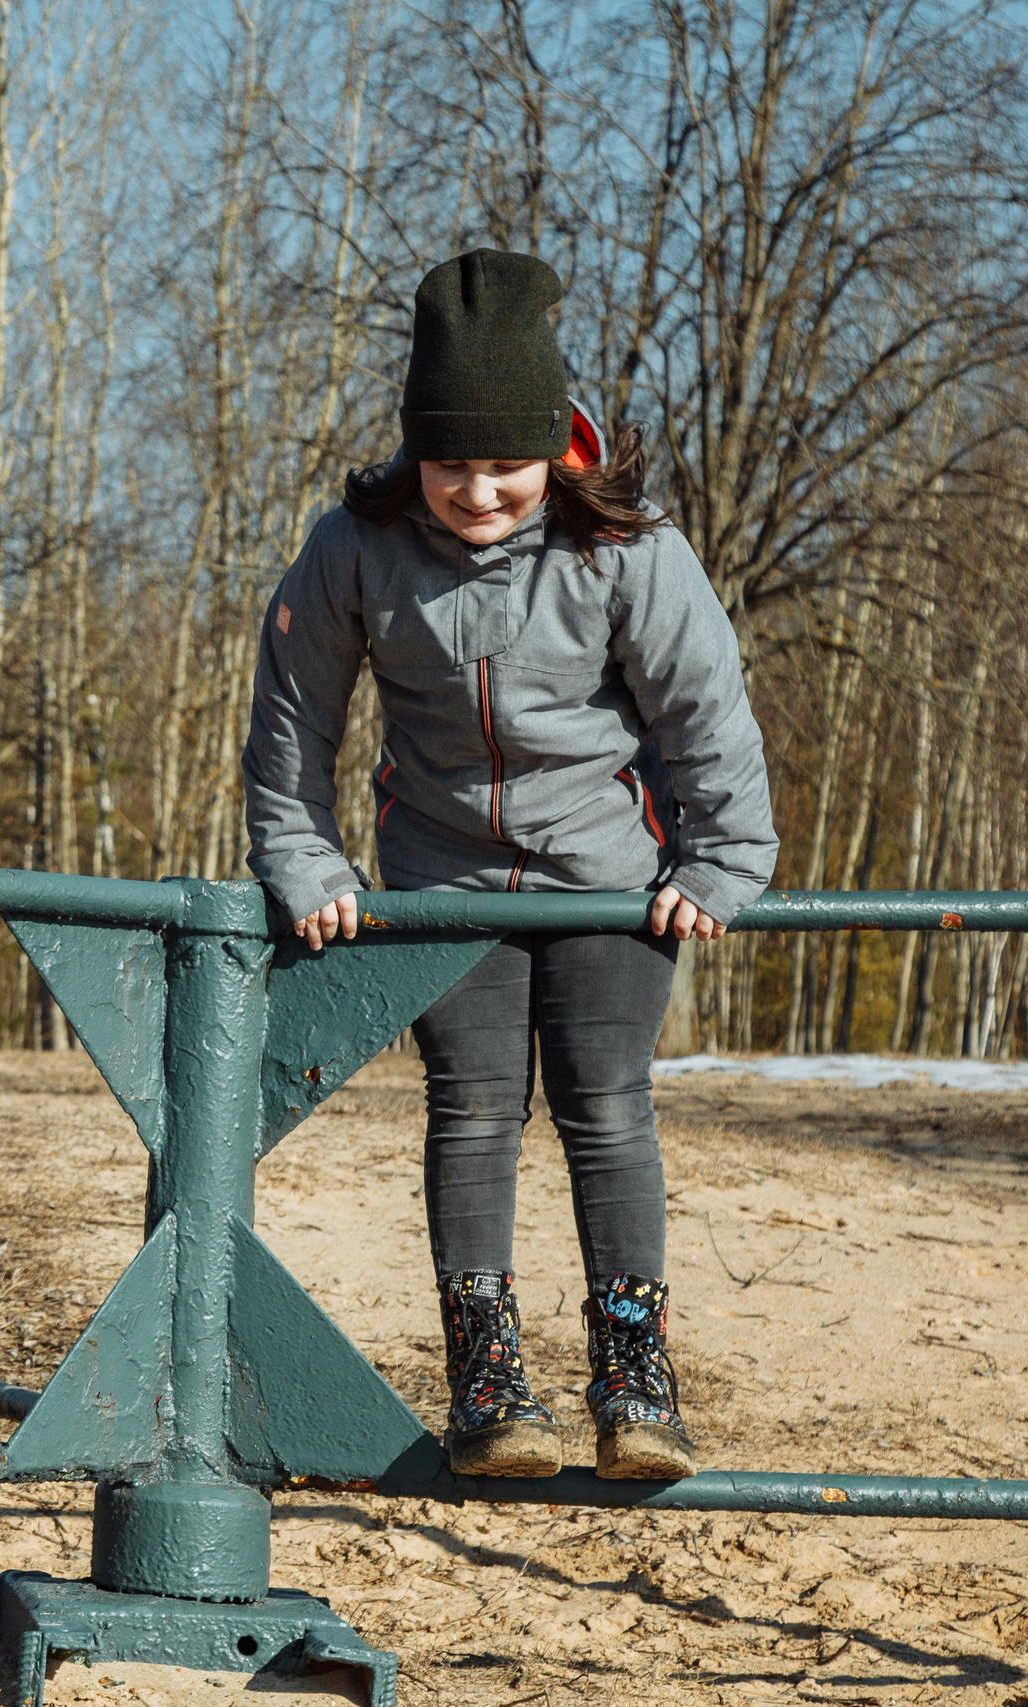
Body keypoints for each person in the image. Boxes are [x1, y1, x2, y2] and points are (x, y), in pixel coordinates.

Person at [242, 249, 777, 1483]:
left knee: (605, 1104)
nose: (476, 492)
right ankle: (488, 1383)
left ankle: (634, 1379)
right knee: (472, 1108)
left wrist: (719, 862)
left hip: (606, 873)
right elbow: (291, 725)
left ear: (554, 451)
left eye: (504, 464)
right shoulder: (353, 550)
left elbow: (708, 715)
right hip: (440, 875)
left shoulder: (628, 549)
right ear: (411, 453)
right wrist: (307, 863)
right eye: (449, 464)